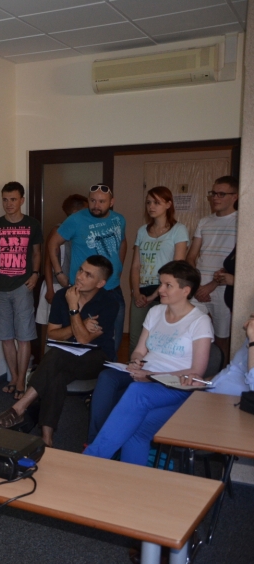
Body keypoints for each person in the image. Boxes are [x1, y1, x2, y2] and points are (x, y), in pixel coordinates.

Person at [85, 262, 214, 465]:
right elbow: (139, 350)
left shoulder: (199, 321)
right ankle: (98, 443)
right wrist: (136, 361)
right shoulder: (156, 312)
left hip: (176, 384)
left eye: (167, 285)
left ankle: (93, 458)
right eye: (160, 283)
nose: (160, 289)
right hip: (146, 374)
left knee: (137, 394)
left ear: (185, 291)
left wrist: (150, 376)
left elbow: (197, 371)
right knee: (109, 379)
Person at [0, 256, 118, 447]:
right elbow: (53, 333)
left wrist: (73, 308)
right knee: (56, 375)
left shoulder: (109, 302)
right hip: (66, 356)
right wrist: (81, 324)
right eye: (80, 270)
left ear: (100, 283)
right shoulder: (61, 295)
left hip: (97, 357)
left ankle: (19, 408)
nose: (80, 276)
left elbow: (84, 339)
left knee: (56, 356)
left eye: (88, 275)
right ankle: (46, 438)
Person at [49, 184, 127, 353]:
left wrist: (118, 267)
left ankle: (108, 367)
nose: (96, 205)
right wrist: (59, 272)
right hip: (83, 290)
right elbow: (53, 243)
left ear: (111, 202)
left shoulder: (119, 220)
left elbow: (122, 242)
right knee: (78, 339)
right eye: (92, 200)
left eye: (101, 201)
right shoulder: (75, 219)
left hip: (112, 288)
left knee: (112, 339)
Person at [0, 181, 43, 399]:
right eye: (5, 200)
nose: (9, 204)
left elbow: (37, 253)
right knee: (6, 336)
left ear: (22, 200)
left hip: (22, 287)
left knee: (24, 336)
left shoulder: (32, 224)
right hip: (0, 288)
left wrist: (35, 274)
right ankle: (15, 377)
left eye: (13, 199)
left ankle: (20, 381)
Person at [128, 187, 189, 353]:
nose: (151, 206)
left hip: (166, 291)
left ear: (168, 204)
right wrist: (136, 293)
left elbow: (177, 267)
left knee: (160, 341)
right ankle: (133, 367)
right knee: (135, 339)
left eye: (156, 202)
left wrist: (154, 295)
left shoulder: (179, 230)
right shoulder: (142, 231)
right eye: (148, 202)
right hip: (142, 292)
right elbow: (135, 266)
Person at [187, 175, 238, 362]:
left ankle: (219, 373)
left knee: (221, 338)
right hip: (198, 287)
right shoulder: (204, 221)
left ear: (234, 196)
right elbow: (191, 256)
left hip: (223, 289)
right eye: (213, 193)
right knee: (190, 330)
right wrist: (197, 285)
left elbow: (238, 261)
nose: (215, 198)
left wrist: (211, 286)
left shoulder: (242, 222)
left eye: (221, 194)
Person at [36, 194, 88, 353]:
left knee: (68, 323)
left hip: (73, 286)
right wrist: (50, 289)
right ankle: (45, 357)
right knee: (50, 324)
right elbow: (47, 262)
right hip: (54, 284)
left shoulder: (82, 231)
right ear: (75, 212)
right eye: (85, 210)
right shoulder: (57, 230)